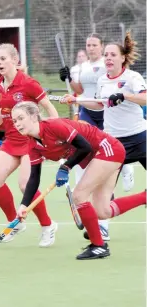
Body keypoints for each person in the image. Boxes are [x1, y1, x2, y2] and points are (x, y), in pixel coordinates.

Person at [11, 101, 146, 260]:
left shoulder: (53, 126)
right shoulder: (32, 145)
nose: (17, 124)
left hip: (107, 148)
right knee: (103, 212)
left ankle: (98, 246)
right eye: (14, 121)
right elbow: (34, 178)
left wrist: (66, 167)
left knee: (79, 196)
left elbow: (85, 147)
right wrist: (23, 206)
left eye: (21, 118)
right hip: (98, 157)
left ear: (34, 116)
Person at [60, 31, 146, 240]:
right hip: (115, 145)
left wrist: (125, 95)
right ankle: (105, 226)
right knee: (102, 204)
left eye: (112, 55)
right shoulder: (101, 81)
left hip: (140, 138)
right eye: (106, 55)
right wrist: (76, 100)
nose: (108, 58)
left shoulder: (132, 77)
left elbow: (145, 99)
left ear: (123, 58)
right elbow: (99, 104)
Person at [0, 43, 58, 246]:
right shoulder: (0, 85)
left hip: (31, 141)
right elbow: (4, 110)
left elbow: (50, 109)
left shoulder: (29, 83)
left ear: (14, 60)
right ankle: (14, 224)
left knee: (25, 186)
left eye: (3, 59)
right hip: (11, 141)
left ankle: (48, 226)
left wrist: (55, 133)